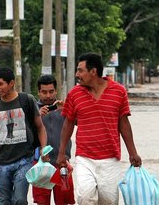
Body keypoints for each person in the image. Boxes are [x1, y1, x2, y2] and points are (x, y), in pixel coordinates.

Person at [57, 52, 142, 205]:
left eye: (80, 70)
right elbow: (68, 124)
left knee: (109, 201)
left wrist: (133, 153)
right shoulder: (75, 94)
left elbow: (124, 124)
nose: (77, 74)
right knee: (85, 197)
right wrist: (62, 153)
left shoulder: (119, 91)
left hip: (110, 158)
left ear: (93, 71)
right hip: (84, 157)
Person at [0, 67, 48, 205]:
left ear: (11, 83)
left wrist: (44, 148)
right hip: (1, 163)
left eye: (0, 84)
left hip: (24, 160)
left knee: (19, 200)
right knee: (3, 201)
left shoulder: (27, 100)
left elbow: (40, 127)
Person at [32, 74, 75, 205]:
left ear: (56, 91)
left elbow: (80, 122)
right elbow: (26, 133)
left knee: (63, 202)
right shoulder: (33, 111)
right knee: (41, 202)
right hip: (40, 164)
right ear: (38, 92)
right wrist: (37, 116)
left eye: (51, 91)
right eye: (44, 92)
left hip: (62, 163)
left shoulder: (64, 107)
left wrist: (67, 110)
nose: (48, 96)